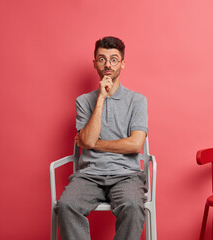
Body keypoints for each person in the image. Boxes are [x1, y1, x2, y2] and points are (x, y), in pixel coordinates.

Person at [55, 36, 148, 240]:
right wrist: (101, 99)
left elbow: (135, 145)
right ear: (95, 63)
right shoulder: (83, 101)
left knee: (133, 206)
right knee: (66, 206)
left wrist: (95, 144)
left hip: (127, 175)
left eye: (114, 59)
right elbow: (86, 141)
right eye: (102, 58)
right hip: (89, 175)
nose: (108, 64)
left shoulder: (137, 101)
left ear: (122, 63)